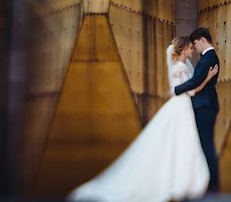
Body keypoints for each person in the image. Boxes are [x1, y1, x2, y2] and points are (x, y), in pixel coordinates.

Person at [68, 35, 219, 202]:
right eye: (190, 48)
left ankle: (179, 178)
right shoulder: (181, 67)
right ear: (183, 49)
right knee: (180, 142)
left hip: (181, 106)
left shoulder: (180, 65)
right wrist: (208, 78)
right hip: (182, 107)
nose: (192, 50)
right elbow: (191, 90)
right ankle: (180, 180)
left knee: (177, 142)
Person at [173, 27, 220, 193]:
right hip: (204, 104)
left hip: (205, 105)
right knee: (203, 143)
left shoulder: (209, 57)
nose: (194, 48)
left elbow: (195, 81)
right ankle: (208, 181)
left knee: (206, 144)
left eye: (195, 44)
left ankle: (212, 183)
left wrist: (176, 90)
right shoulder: (207, 57)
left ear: (202, 40)